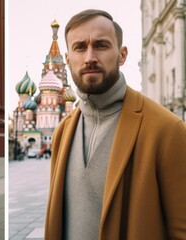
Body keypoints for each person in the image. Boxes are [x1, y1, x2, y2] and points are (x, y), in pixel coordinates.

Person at [44, 9, 186, 240]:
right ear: (68, 60)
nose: (90, 56)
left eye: (101, 45)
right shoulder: (62, 131)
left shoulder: (166, 130)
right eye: (80, 47)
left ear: (122, 54)